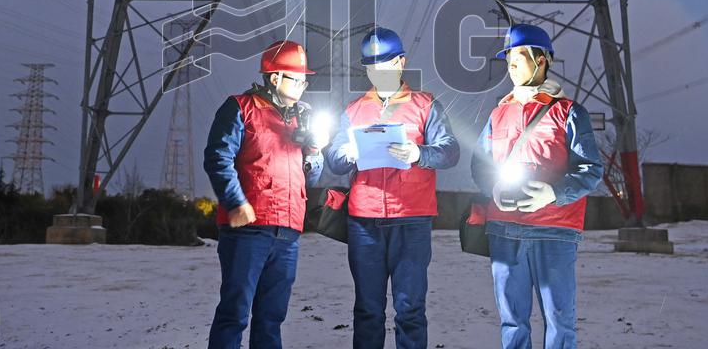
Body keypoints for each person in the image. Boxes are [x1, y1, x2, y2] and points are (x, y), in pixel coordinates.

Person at [324, 26, 460, 349]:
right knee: (368, 310)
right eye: (371, 67)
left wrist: (420, 153)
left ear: (401, 62)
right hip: (364, 222)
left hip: (411, 221)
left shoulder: (426, 105)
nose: (378, 73)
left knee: (410, 309)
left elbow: (451, 150)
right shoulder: (354, 111)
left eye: (384, 65)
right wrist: (348, 153)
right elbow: (334, 158)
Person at [471, 24, 603, 349]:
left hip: (554, 232)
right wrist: (494, 189)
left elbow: (591, 170)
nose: (510, 66)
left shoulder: (569, 113)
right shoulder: (498, 113)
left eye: (517, 58)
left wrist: (554, 193)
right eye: (508, 60)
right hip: (504, 230)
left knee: (559, 322)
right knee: (512, 322)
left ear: (541, 59)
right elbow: (479, 164)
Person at [203, 40, 324, 349]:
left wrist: (314, 152)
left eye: (304, 80)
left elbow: (311, 175)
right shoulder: (241, 108)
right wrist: (235, 202)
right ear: (274, 78)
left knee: (272, 318)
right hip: (248, 229)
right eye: (295, 78)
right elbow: (217, 157)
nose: (302, 85)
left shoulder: (302, 120)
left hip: (288, 231)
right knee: (235, 313)